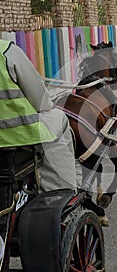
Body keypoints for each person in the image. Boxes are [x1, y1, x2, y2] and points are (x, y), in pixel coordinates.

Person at [0, 39, 77, 193]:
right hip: (15, 139)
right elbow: (42, 102)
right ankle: (60, 189)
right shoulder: (6, 51)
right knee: (58, 117)